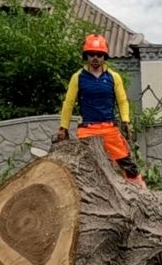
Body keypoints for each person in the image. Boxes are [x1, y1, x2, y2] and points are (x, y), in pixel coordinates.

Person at [57, 34, 142, 181]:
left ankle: (141, 192)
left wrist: (126, 121)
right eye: (91, 54)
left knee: (128, 166)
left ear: (104, 57)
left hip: (110, 129)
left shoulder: (113, 77)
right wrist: (63, 127)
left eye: (99, 55)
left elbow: (122, 101)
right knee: (84, 168)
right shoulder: (77, 77)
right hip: (87, 130)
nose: (95, 58)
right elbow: (68, 103)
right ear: (86, 56)